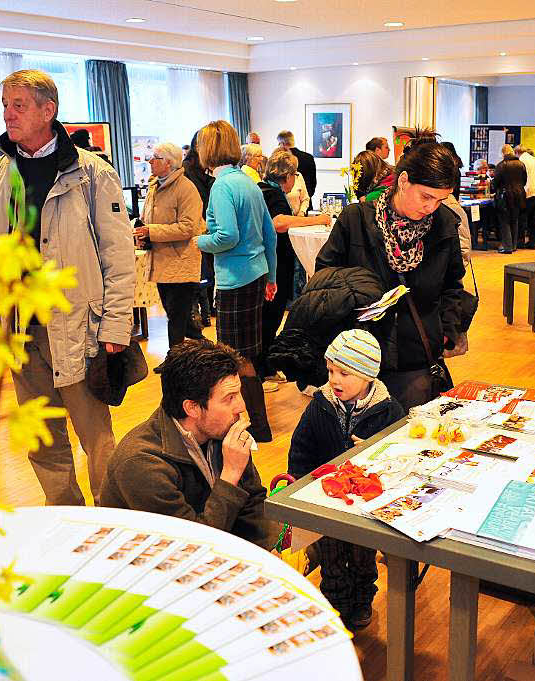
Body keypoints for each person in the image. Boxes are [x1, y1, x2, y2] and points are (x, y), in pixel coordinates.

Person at [0, 69, 135, 506]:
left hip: (78, 326)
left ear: (49, 110)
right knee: (42, 439)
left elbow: (118, 256)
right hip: (18, 329)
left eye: (18, 105)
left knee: (95, 436)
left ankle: (112, 516)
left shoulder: (91, 173)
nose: (8, 114)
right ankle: (63, 516)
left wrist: (116, 324)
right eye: (5, 105)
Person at [315, 142, 465, 410]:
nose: (431, 207)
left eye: (440, 200)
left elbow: (453, 285)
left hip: (417, 356)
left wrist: (444, 332)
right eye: (426, 197)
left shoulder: (444, 224)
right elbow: (324, 279)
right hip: (359, 357)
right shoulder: (356, 220)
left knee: (413, 431)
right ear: (403, 181)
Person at [100, 339, 273, 549]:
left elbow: (253, 501)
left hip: (218, 548)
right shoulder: (141, 464)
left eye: (239, 393)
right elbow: (190, 546)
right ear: (192, 408)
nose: (241, 406)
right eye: (229, 398)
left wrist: (267, 551)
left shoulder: (221, 429)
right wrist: (230, 474)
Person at [288, 330, 405, 628]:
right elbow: (301, 447)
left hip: (364, 507)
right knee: (332, 558)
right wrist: (297, 484)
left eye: (344, 373)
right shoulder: (320, 405)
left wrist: (372, 454)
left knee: (363, 556)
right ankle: (335, 604)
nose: (334, 380)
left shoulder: (389, 411)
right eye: (330, 371)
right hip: (326, 501)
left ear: (367, 375)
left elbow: (399, 455)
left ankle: (363, 599)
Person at [194, 120, 277, 442]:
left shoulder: (222, 186)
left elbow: (227, 236)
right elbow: (269, 234)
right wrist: (271, 275)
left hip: (235, 279)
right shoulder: (247, 181)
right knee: (246, 355)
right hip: (256, 274)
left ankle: (253, 425)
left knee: (233, 356)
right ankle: (256, 424)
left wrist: (199, 241)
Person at [257, 149, 331, 390]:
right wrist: (316, 220)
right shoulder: (273, 194)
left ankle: (265, 366)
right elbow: (279, 222)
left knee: (268, 317)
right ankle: (263, 370)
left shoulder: (262, 189)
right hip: (276, 264)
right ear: (288, 176)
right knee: (271, 316)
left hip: (268, 262)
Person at [132, 142, 205, 367]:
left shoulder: (186, 189)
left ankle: (174, 362)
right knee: (176, 316)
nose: (150, 161)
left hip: (181, 262)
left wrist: (151, 231)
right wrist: (142, 231)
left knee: (176, 317)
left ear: (169, 163)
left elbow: (188, 227)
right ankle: (201, 348)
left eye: (155, 158)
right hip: (162, 261)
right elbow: (147, 219)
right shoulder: (154, 186)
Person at [184, 130, 216, 328]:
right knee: (200, 277)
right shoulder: (187, 171)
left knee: (207, 275)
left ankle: (207, 311)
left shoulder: (208, 171)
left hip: (208, 230)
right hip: (196, 232)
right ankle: (196, 318)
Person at [491, 146, 527, 253]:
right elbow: (524, 180)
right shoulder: (521, 164)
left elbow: (495, 182)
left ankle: (507, 247)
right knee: (514, 220)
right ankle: (514, 245)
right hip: (519, 195)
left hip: (505, 196)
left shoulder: (501, 165)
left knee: (504, 221)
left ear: (503, 153)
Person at [277, 129, 317, 200]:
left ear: (282, 143)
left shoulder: (281, 159)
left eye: (279, 144)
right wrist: (307, 196)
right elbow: (313, 182)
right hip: (306, 200)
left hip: (288, 200)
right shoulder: (309, 157)